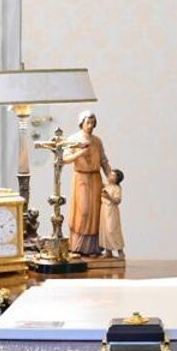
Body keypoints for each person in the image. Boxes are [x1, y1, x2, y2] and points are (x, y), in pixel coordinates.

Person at [62, 111, 112, 255]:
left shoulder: (97, 141)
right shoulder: (74, 139)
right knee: (83, 211)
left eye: (92, 123)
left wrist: (110, 178)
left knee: (95, 212)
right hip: (81, 177)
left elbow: (103, 160)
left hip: (95, 178)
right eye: (88, 123)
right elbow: (65, 159)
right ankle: (77, 245)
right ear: (81, 123)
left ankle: (93, 248)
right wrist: (80, 153)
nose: (90, 126)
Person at [98, 168, 125, 259]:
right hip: (104, 210)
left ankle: (120, 251)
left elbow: (117, 200)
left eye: (113, 175)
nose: (110, 176)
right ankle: (108, 251)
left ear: (117, 179)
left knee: (112, 230)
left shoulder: (117, 188)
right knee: (104, 230)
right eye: (110, 174)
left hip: (112, 211)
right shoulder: (107, 186)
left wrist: (109, 197)